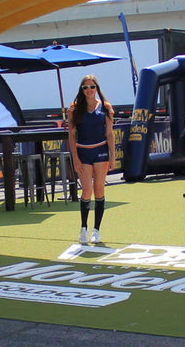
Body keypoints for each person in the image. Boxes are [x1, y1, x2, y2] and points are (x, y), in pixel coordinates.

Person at [68, 74, 115, 245]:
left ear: (97, 88)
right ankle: (83, 228)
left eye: (92, 87)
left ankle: (97, 230)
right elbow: (71, 134)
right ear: (81, 90)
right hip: (83, 152)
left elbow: (109, 133)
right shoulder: (74, 108)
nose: (89, 90)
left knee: (99, 189)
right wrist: (75, 158)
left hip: (100, 151)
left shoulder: (105, 107)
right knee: (87, 190)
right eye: (85, 87)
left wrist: (112, 156)